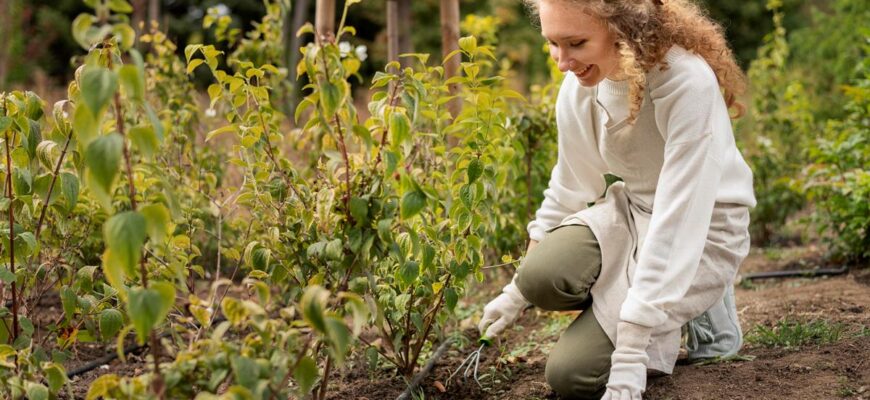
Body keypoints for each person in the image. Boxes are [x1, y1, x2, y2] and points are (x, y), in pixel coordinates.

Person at [477, 0, 756, 399]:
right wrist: (515, 293)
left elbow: (679, 217)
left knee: (571, 376)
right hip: (634, 210)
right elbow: (570, 186)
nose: (562, 62)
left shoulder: (684, 81)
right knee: (541, 277)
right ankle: (634, 302)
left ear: (623, 27)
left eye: (575, 43)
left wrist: (630, 354)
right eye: (552, 44)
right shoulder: (580, 86)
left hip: (701, 228)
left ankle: (701, 304)